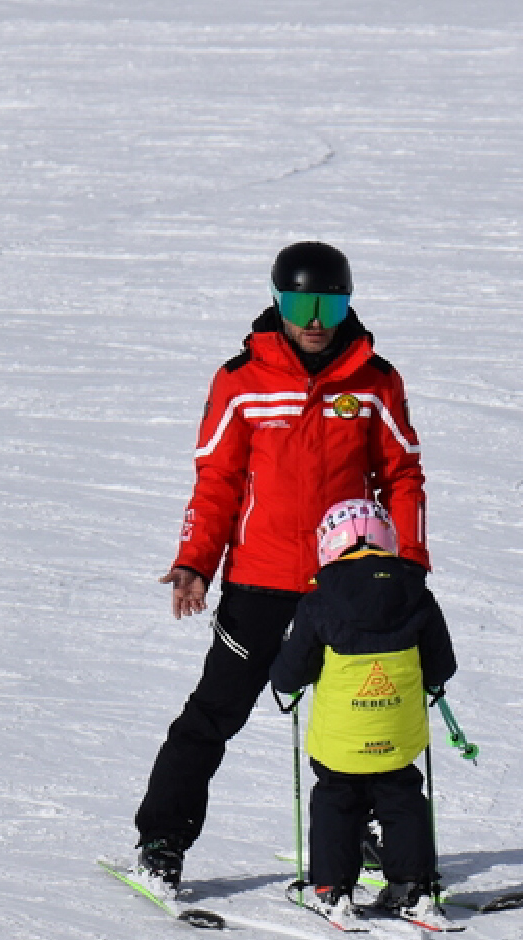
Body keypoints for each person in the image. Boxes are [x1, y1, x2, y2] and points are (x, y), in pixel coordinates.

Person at [130, 241, 427, 895]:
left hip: (350, 582)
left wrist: (406, 563)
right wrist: (195, 562)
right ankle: (161, 840)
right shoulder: (241, 381)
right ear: (277, 300)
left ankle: (367, 833)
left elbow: (401, 475)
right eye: (300, 303)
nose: (315, 318)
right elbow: (217, 482)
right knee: (213, 713)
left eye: (330, 302)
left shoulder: (375, 380)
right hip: (259, 582)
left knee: (363, 715)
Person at [269, 500, 456, 925]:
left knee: (337, 798)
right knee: (402, 796)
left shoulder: (319, 602)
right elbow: (441, 666)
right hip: (399, 730)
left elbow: (290, 674)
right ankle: (413, 887)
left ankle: (331, 889)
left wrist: (286, 677)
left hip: (341, 737)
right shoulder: (417, 595)